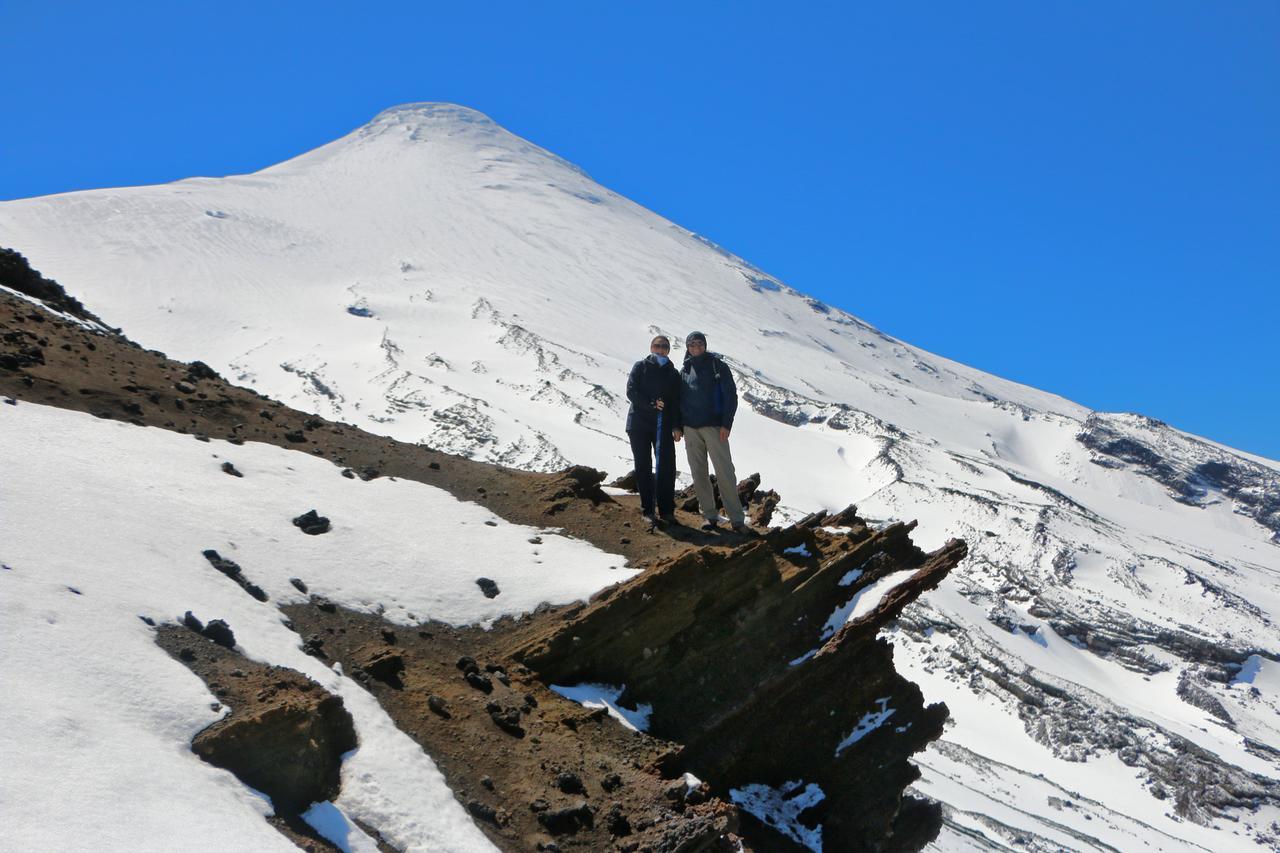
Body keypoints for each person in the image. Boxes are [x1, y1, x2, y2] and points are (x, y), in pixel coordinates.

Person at [673, 331, 748, 532]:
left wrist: (726, 424)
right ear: (687, 347)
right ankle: (709, 516)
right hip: (690, 428)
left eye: (699, 344)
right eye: (692, 344)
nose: (696, 347)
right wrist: (679, 427)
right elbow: (679, 400)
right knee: (699, 473)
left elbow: (731, 397)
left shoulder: (718, 366)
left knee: (724, 472)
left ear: (705, 345)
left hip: (715, 427)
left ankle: (737, 519)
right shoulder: (685, 370)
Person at [625, 335, 682, 526]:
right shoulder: (640, 367)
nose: (661, 349)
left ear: (668, 350)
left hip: (663, 425)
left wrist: (676, 426)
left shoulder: (673, 374)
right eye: (657, 346)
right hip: (639, 424)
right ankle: (647, 509)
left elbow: (675, 402)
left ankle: (667, 511)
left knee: (666, 466)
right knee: (643, 465)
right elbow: (631, 391)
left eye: (664, 347)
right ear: (651, 347)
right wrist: (651, 404)